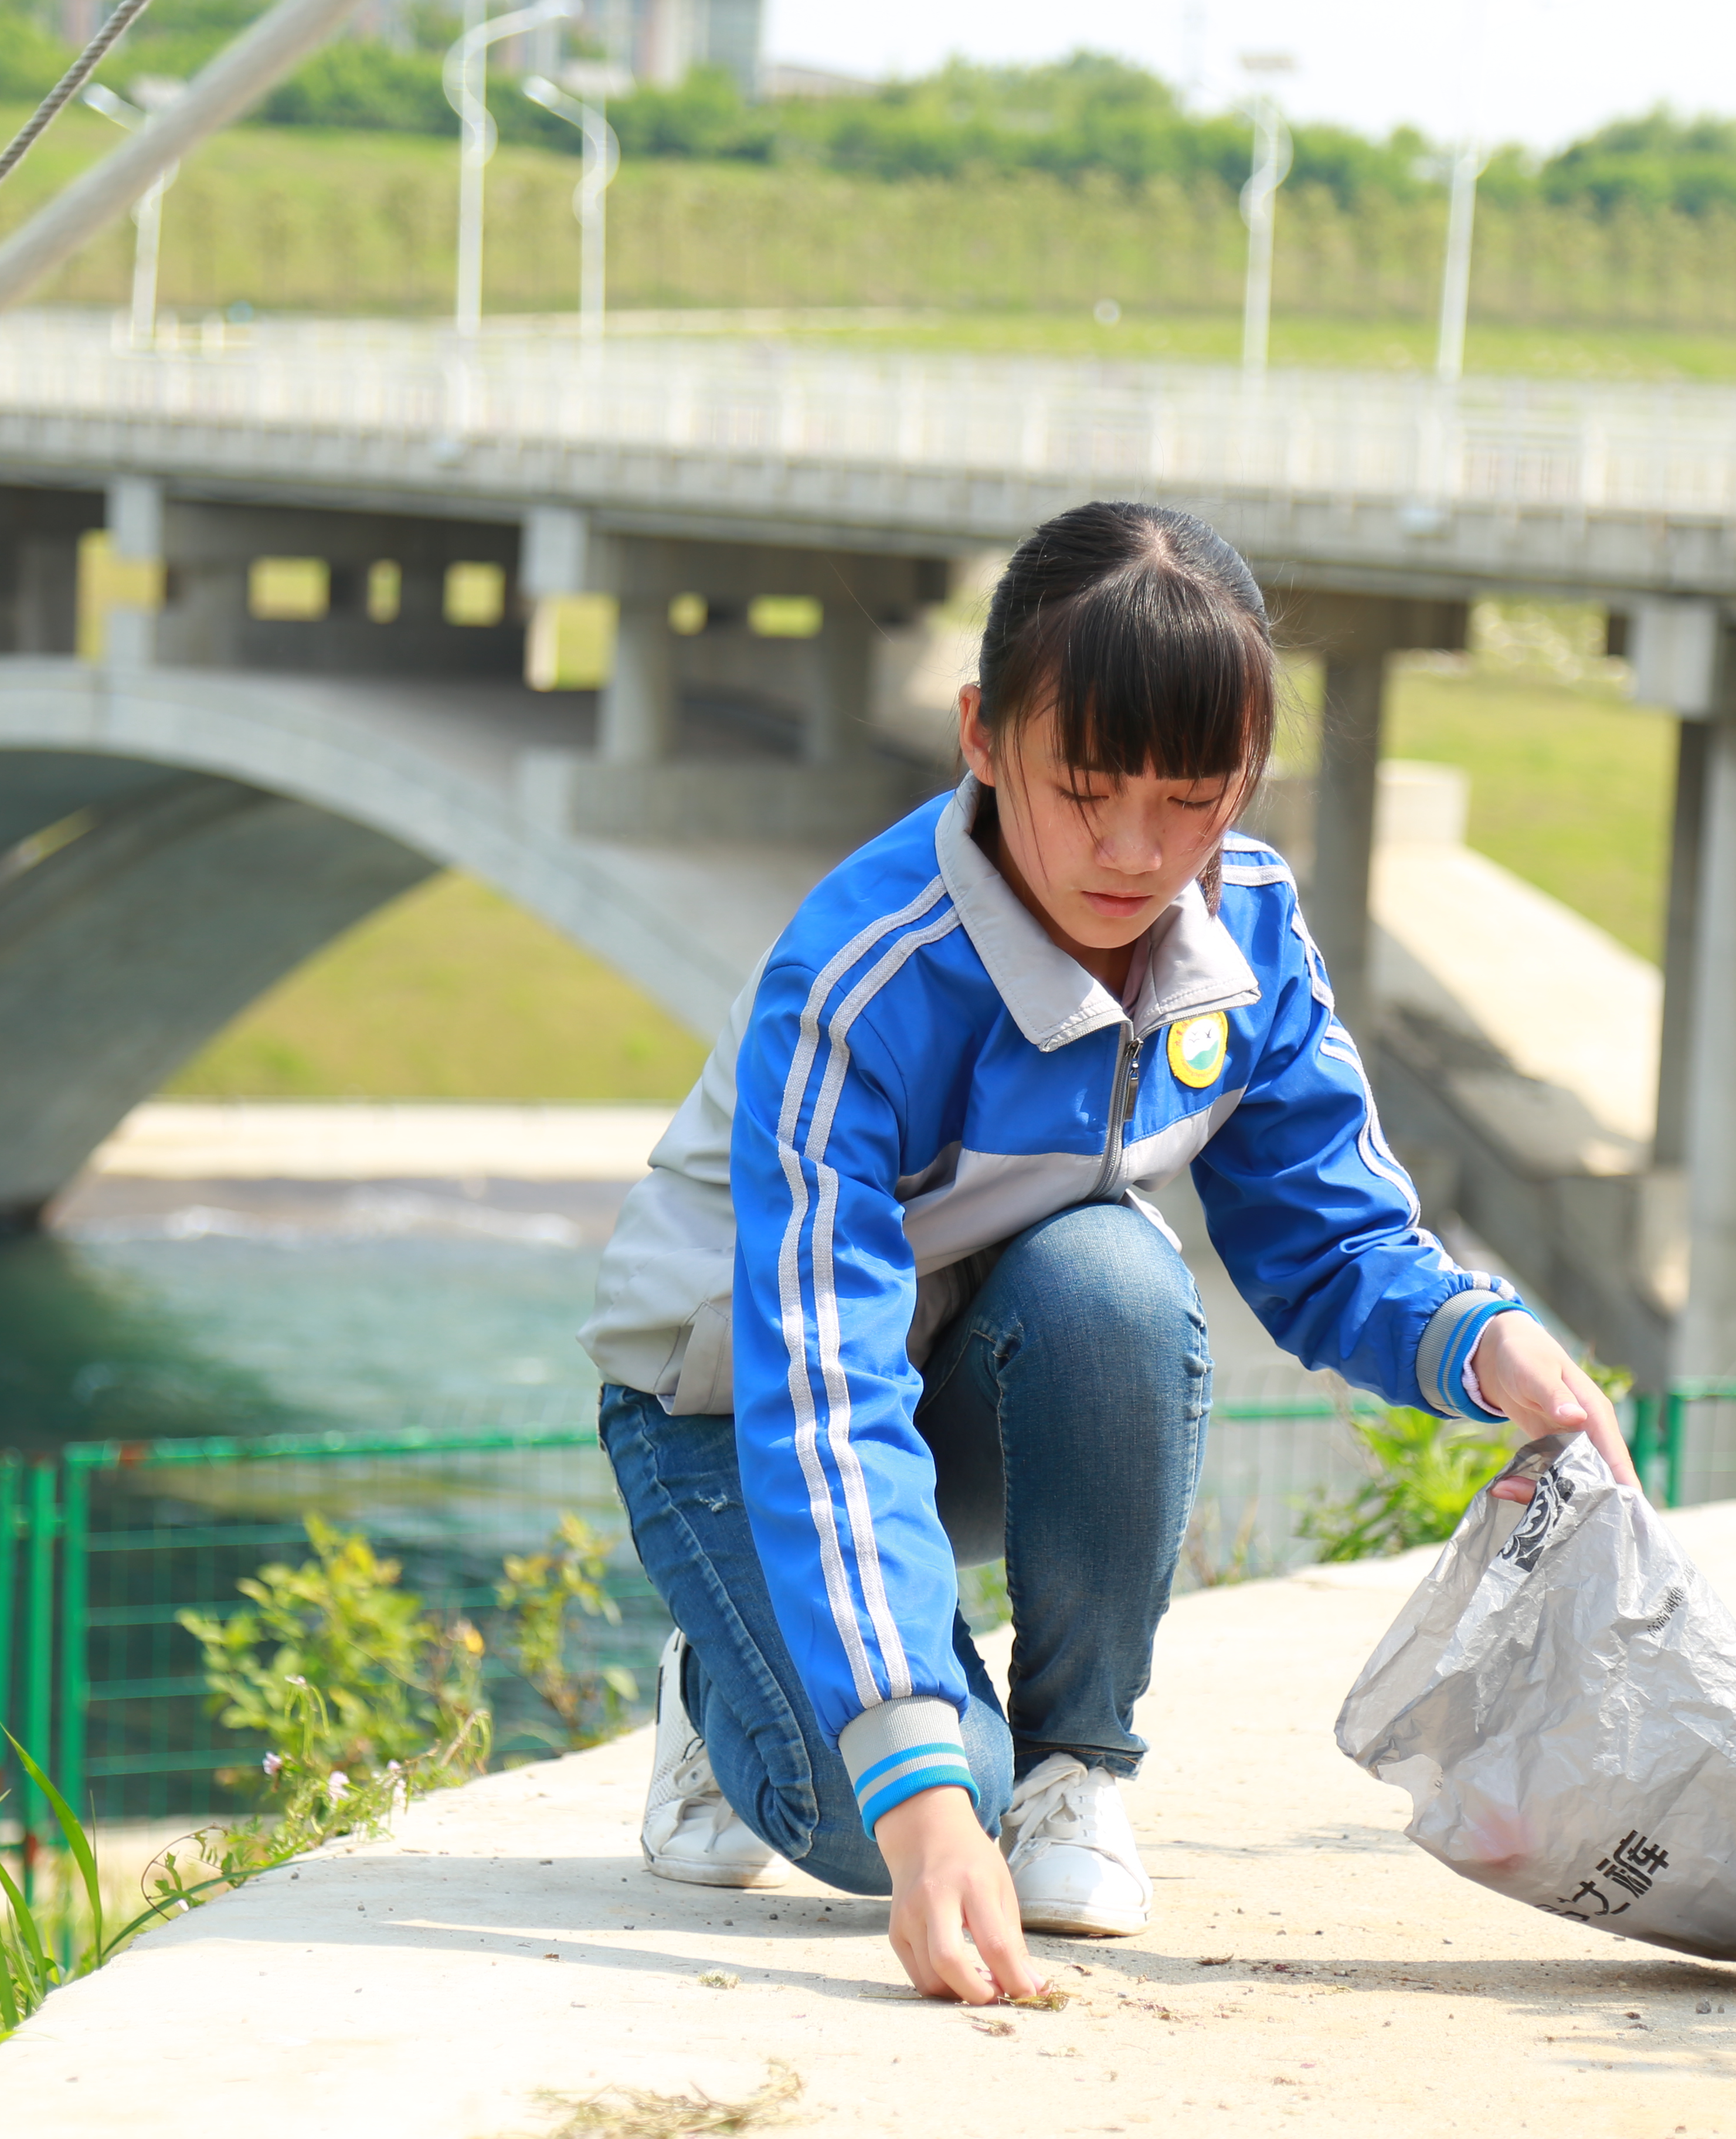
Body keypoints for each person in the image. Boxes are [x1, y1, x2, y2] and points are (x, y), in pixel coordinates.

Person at [577, 501, 1636, 2006]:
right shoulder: (864, 981)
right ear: (981, 739)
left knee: (1120, 1278)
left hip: (978, 1364)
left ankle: (1078, 1766)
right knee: (889, 1822)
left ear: (1245, 783)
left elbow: (1329, 1232)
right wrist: (921, 1792)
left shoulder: (1246, 932)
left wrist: (1482, 1341)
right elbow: (819, 1393)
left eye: (1197, 800)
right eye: (1084, 792)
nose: (1138, 856)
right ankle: (718, 1680)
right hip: (732, 1413)